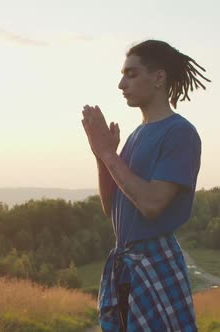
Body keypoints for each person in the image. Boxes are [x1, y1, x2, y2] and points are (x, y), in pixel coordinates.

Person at [81, 39, 210, 332]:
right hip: (127, 267)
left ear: (158, 78)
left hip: (155, 263)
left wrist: (109, 155)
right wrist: (103, 159)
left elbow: (152, 204)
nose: (121, 84)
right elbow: (109, 206)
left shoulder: (180, 133)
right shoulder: (136, 135)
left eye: (131, 73)